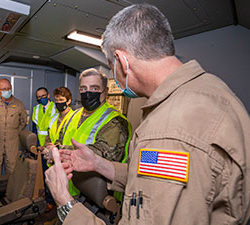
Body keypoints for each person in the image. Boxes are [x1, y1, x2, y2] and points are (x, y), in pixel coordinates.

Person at [45, 3, 250, 225]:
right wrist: (98, 164)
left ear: (122, 62)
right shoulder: (209, 90)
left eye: (111, 66)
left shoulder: (168, 130)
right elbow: (151, 171)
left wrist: (65, 203)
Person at [48, 68, 131, 197]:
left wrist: (57, 151)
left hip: (94, 198)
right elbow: (61, 137)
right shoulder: (73, 114)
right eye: (83, 89)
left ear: (106, 92)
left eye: (94, 89)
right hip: (68, 187)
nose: (88, 93)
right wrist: (54, 147)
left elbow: (102, 155)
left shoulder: (115, 122)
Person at [0, 78, 27, 177]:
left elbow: (24, 121)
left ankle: (10, 192)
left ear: (11, 88)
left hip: (12, 142)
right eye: (3, 89)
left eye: (8, 88)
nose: (6, 91)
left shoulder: (19, 104)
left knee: (12, 169)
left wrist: (16, 133)